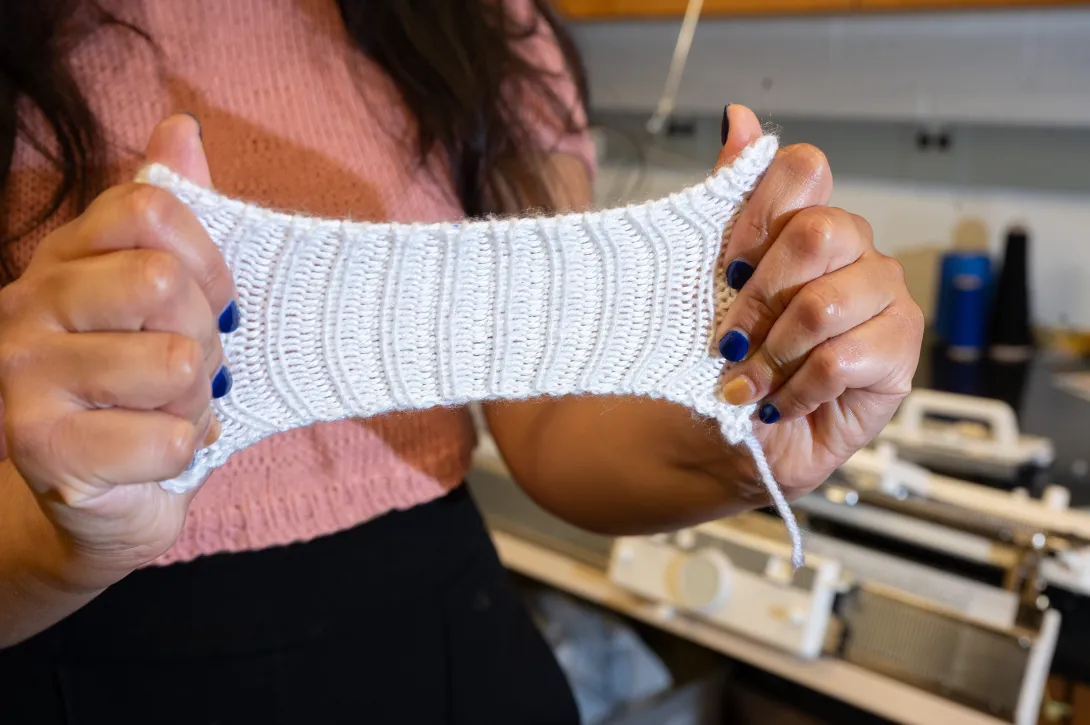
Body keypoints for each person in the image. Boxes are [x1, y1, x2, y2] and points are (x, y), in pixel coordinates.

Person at [0, 1, 924, 722]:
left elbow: (550, 423)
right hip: (70, 656)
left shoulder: (481, 24)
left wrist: (745, 413)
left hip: (443, 646)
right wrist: (60, 541)